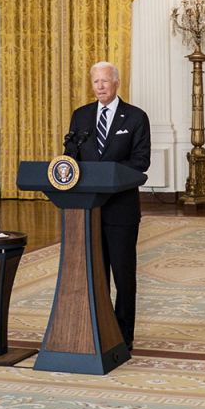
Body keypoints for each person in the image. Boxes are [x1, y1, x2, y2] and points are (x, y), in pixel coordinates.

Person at [66, 61, 150, 350]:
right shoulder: (81, 117)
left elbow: (141, 162)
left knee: (123, 276)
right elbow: (71, 156)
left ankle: (124, 337)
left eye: (105, 81)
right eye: (95, 82)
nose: (100, 87)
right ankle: (97, 330)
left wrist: (107, 173)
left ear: (116, 83)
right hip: (87, 210)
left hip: (121, 210)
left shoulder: (136, 118)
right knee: (95, 274)